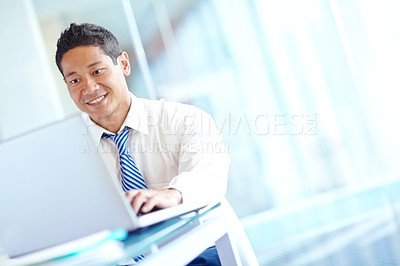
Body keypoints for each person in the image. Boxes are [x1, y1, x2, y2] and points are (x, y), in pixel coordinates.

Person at [55, 22, 230, 265]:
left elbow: (210, 174)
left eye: (97, 71)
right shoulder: (67, 155)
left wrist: (172, 195)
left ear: (123, 64)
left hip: (195, 254)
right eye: (75, 81)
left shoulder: (185, 119)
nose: (89, 88)